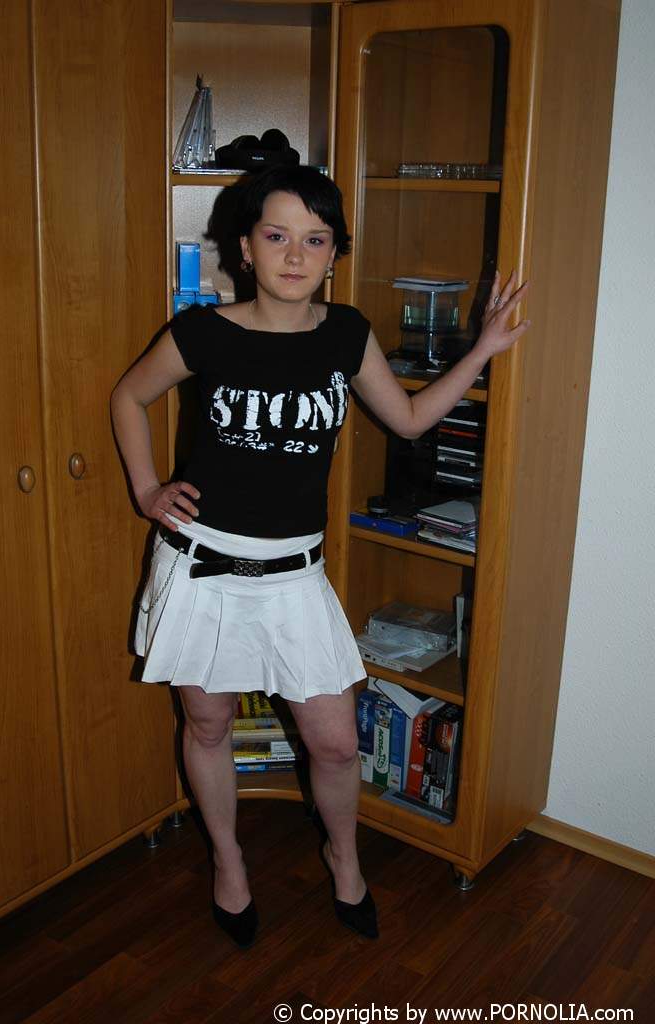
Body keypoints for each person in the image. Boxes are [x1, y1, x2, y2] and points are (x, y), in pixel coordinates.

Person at [110, 164, 529, 949]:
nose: (295, 255)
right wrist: (145, 490)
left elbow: (409, 419)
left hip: (294, 575)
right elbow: (128, 397)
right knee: (208, 724)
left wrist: (482, 349)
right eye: (277, 235)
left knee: (335, 741)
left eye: (315, 239)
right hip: (201, 565)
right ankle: (228, 863)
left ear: (335, 253)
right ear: (245, 248)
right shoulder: (203, 332)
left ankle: (344, 856)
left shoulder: (346, 334)